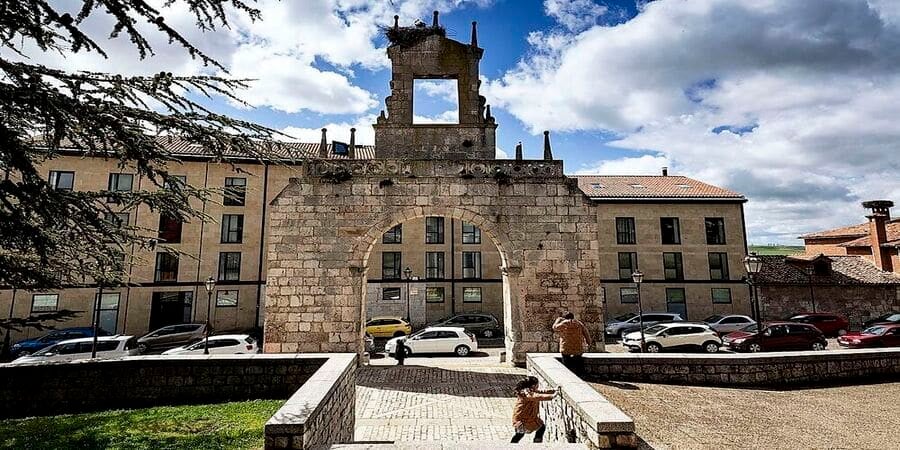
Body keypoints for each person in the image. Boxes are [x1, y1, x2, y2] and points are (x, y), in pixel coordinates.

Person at [510, 376, 556, 443]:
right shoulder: (526, 393)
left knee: (540, 427)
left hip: (527, 418)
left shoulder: (530, 390)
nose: (538, 386)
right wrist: (552, 396)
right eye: (537, 385)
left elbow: (541, 392)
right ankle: (535, 445)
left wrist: (553, 390)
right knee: (519, 434)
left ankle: (535, 444)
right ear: (534, 385)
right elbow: (536, 396)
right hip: (522, 420)